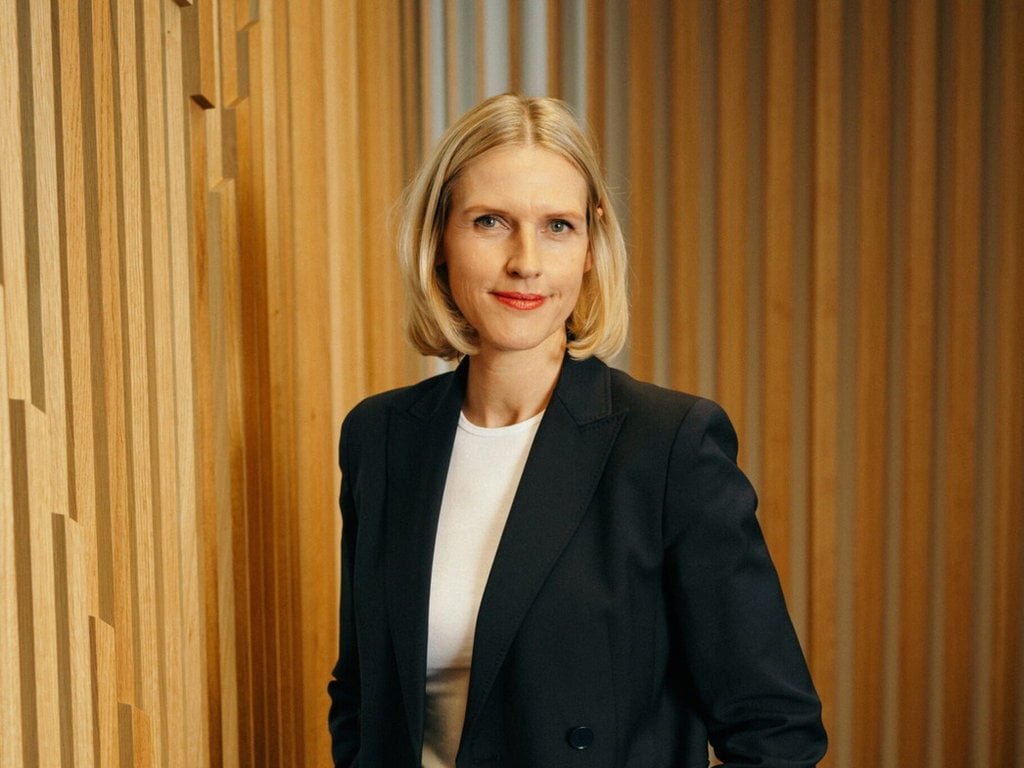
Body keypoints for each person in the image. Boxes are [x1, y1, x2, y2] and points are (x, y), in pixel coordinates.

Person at [327, 93, 826, 767]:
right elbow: (361, 695)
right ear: (439, 238)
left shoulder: (669, 446)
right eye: (491, 222)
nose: (526, 261)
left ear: (590, 248)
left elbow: (776, 728)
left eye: (557, 226)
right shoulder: (382, 437)